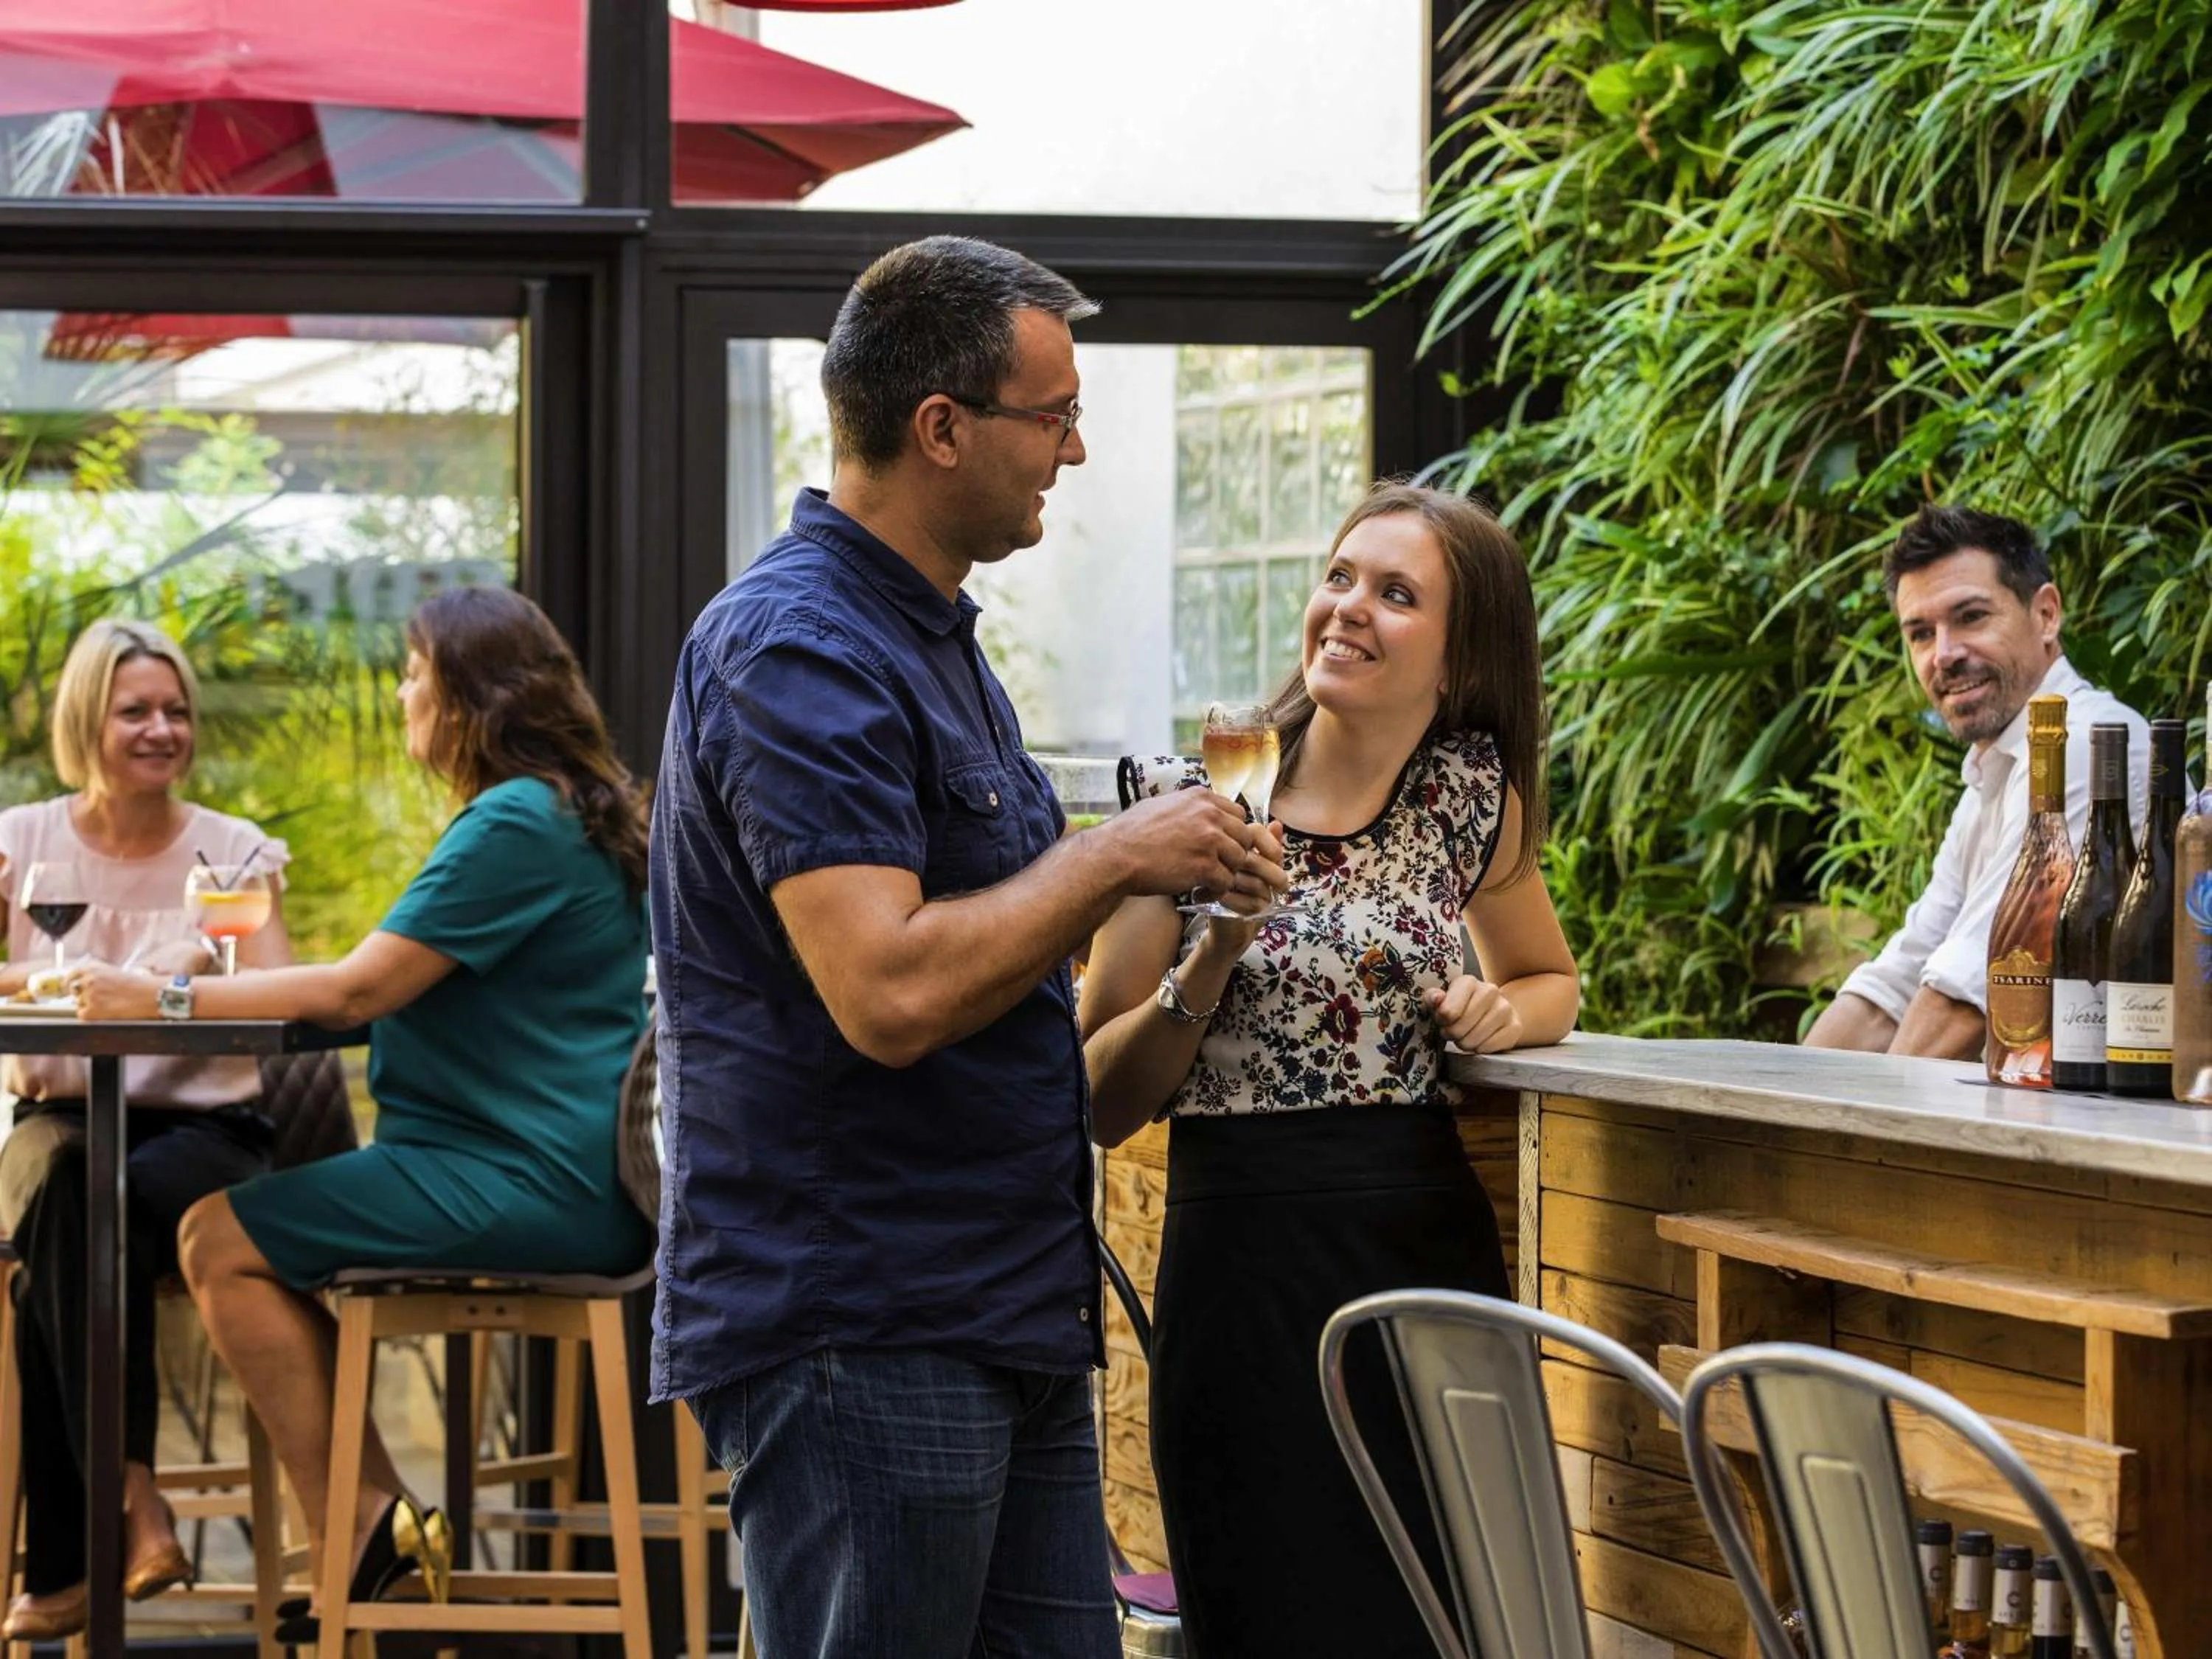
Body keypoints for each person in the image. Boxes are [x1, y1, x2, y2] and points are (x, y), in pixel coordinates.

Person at [650, 235, 1279, 1659]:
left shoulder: (932, 640)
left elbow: (1008, 966)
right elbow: (889, 988)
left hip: (1002, 1302)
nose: (1073, 449)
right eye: (1052, 414)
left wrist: (1179, 918)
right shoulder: (799, 649)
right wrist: (1118, 853)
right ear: (942, 429)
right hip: (866, 1316)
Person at [71, 587, 653, 1638]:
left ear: (471, 697)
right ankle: (371, 1529)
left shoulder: (516, 819)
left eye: (414, 673)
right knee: (234, 1232)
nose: (400, 694)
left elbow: (352, 991)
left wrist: (155, 996)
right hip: (546, 1169)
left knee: (216, 1234)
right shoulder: (560, 806)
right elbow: (391, 987)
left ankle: (363, 1524)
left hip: (523, 1177)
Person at [1081, 481, 1581, 1658]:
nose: (1348, 608)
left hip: (1422, 1259)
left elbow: (1551, 978)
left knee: (1435, 1617)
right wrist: (1219, 946)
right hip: (1241, 1270)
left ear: (1460, 660)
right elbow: (1101, 1092)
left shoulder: (1470, 801)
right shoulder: (1190, 800)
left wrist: (1500, 1011)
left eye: (1396, 593)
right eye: (1341, 577)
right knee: (1263, 1607)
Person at [0, 619, 293, 1641]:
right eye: (137, 711)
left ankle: (72, 1557)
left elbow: (266, 992)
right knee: (68, 1181)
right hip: (62, 1117)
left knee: (78, 1213)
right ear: (90, 718)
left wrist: (156, 988)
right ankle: (137, 1501)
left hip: (204, 1131)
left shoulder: (232, 851)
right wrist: (57, 979)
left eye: (175, 711)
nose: (161, 729)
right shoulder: (20, 841)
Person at [1805, 506, 2149, 1059]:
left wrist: (1836, 1139)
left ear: (2046, 615)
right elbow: (1894, 984)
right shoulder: (1995, 774)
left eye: (1970, 617)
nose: (1944, 654)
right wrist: (1789, 1105)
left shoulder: (2089, 746)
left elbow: (1968, 996)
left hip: (2123, 1130)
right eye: (1920, 633)